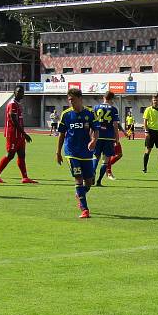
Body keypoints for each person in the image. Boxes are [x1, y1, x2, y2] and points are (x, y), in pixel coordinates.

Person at [56, 88, 99, 218]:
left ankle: (80, 193)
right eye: (69, 100)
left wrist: (93, 140)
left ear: (80, 99)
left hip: (86, 152)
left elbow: (96, 129)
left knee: (90, 181)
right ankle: (85, 209)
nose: (71, 103)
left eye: (73, 100)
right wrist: (58, 152)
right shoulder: (66, 114)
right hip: (71, 151)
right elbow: (61, 134)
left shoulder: (90, 113)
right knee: (79, 178)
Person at [0, 86, 37, 184]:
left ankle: (25, 177)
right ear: (14, 92)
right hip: (13, 134)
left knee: (21, 155)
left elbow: (19, 120)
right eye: (19, 92)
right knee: (10, 155)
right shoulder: (12, 104)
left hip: (19, 135)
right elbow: (14, 120)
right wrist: (24, 134)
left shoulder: (18, 104)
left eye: (22, 92)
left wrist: (22, 134)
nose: (21, 94)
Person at [92, 91, 123, 187]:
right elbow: (115, 125)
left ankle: (92, 173)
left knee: (95, 157)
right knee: (105, 161)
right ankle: (99, 181)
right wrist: (117, 138)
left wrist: (91, 136)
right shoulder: (113, 109)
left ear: (103, 97)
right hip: (109, 137)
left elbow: (92, 123)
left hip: (97, 136)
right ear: (112, 99)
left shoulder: (96, 108)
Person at [142, 95, 158, 174]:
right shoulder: (148, 110)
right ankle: (145, 168)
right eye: (154, 100)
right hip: (151, 132)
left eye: (156, 100)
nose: (155, 101)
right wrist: (146, 131)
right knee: (148, 150)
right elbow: (145, 122)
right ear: (152, 101)